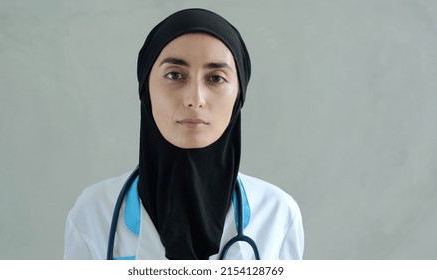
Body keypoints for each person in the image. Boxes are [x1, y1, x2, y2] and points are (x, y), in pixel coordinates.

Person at [64, 8, 304, 260]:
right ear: (146, 88)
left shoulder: (278, 214)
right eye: (175, 75)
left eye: (216, 78)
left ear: (239, 95)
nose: (194, 99)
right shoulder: (93, 213)